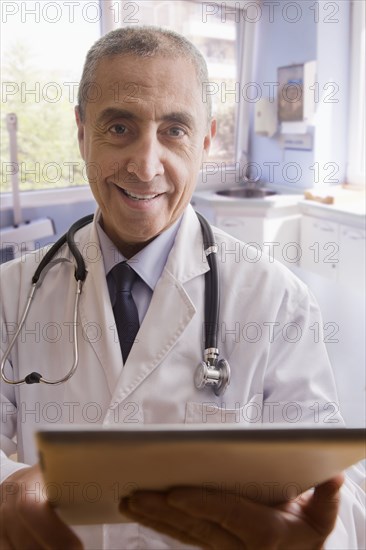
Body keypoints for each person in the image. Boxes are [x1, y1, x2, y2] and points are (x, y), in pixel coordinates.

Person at [0, 26, 365, 550]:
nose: (146, 167)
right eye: (119, 126)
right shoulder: (14, 295)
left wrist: (314, 537)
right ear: (81, 132)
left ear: (206, 140)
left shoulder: (275, 300)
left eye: (174, 130)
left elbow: (339, 488)